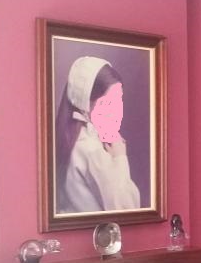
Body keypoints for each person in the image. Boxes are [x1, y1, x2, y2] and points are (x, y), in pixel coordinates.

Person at [56, 56, 140, 213]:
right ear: (85, 104)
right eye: (107, 103)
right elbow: (128, 209)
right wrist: (120, 157)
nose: (117, 111)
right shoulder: (92, 150)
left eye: (119, 99)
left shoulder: (74, 138)